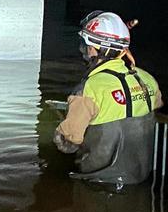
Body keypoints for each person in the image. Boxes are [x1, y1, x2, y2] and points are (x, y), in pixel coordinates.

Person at [54, 11, 162, 186]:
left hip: (99, 185)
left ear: (93, 49)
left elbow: (69, 143)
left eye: (86, 45)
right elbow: (151, 109)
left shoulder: (88, 89)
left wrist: (60, 128)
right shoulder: (147, 79)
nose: (85, 50)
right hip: (141, 180)